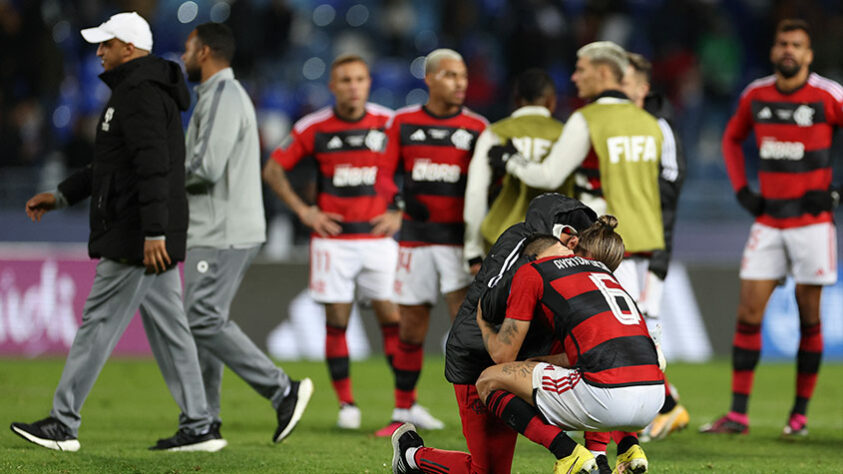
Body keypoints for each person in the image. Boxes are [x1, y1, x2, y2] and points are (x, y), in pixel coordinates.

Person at [11, 12, 224, 452]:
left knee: (97, 323)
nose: (98, 52)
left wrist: (153, 233)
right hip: (144, 230)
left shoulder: (139, 93)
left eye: (105, 44)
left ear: (128, 47)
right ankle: (200, 424)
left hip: (135, 234)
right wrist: (63, 195)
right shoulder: (138, 90)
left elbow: (153, 167)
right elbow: (114, 167)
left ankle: (63, 422)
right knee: (171, 330)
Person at [700, 19, 840, 437]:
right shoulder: (756, 95)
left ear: (809, 54)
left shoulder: (828, 96)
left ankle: (798, 416)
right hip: (768, 222)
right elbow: (730, 139)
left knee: (809, 316)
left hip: (813, 226)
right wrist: (743, 190)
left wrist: (836, 194)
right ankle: (738, 415)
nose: (789, 50)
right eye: (783, 43)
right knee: (747, 313)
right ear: (774, 50)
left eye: (797, 44)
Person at [390, 193, 597, 474]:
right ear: (564, 236)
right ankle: (412, 455)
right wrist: (540, 263)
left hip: (521, 362)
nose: (581, 254)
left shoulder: (568, 262)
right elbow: (490, 300)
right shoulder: (519, 243)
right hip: (477, 356)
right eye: (578, 244)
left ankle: (593, 457)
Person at [180, 22, 312, 444]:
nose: (182, 56)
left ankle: (281, 389)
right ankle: (203, 422)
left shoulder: (222, 95)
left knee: (201, 315)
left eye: (187, 48)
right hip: (218, 226)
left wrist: (157, 179)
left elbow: (206, 167)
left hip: (223, 228)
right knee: (205, 318)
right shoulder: (217, 96)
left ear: (204, 52)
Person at [262, 54, 402, 431]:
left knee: (394, 318)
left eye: (359, 79)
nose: (353, 86)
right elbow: (273, 168)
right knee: (337, 320)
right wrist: (304, 211)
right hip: (333, 240)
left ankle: (406, 406)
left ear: (368, 83)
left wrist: (399, 213)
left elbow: (417, 167)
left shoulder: (389, 122)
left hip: (377, 237)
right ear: (333, 86)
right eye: (345, 80)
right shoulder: (314, 127)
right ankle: (346, 405)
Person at [382, 48, 488, 436]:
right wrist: (395, 203)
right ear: (429, 79)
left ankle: (478, 412)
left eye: (463, 76)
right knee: (410, 328)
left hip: (460, 246)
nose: (459, 83)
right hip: (415, 242)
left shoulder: (478, 128)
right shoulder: (402, 123)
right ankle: (402, 409)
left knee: (468, 331)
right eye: (449, 75)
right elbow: (383, 174)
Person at [620, 52, 689, 442]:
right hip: (627, 244)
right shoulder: (621, 125)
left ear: (642, 88)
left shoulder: (658, 126)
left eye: (625, 81)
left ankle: (665, 407)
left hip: (653, 243)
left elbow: (673, 182)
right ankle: (668, 403)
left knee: (644, 322)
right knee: (635, 325)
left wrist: (630, 192)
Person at [463, 68, 569, 274]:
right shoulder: (566, 136)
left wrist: (472, 249)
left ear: (516, 100)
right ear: (551, 101)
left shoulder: (496, 133)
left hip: (502, 242)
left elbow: (476, 193)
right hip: (556, 245)